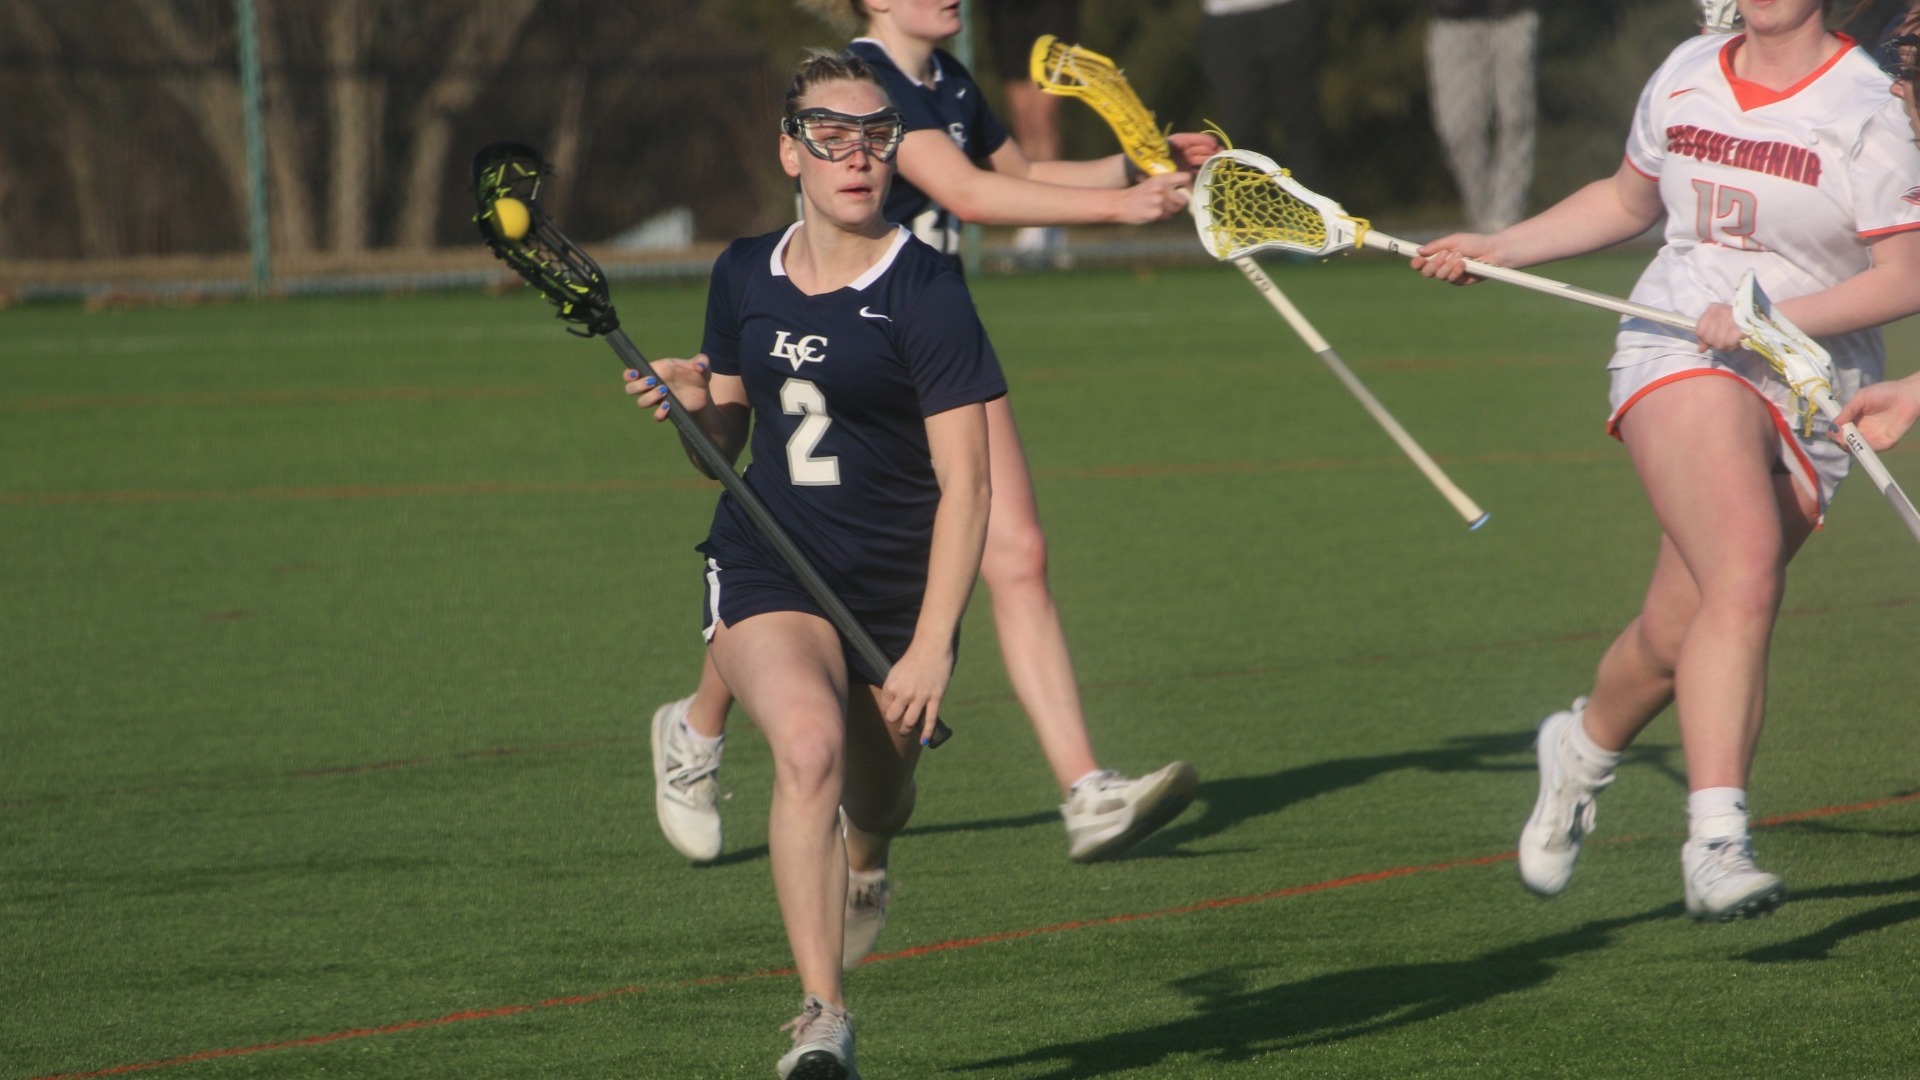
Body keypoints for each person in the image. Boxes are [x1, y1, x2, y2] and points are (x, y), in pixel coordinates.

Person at [654, 0, 1214, 879]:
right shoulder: (868, 89)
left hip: (931, 342)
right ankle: (697, 727)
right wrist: (1120, 207)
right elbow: (967, 194)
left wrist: (1138, 163)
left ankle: (1085, 789)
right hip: (852, 341)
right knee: (797, 530)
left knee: (1017, 551)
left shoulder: (946, 79)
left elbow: (1019, 170)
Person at [1412, 0, 1920, 921]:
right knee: (1745, 573)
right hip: (1677, 345)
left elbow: (1905, 277)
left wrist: (1771, 318)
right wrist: (1500, 245)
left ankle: (1580, 749)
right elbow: (1626, 200)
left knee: (1672, 634)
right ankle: (1717, 842)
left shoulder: (1867, 107)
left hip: (1810, 384)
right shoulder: (1686, 70)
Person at [629, 52, 1002, 1077]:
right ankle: (823, 1017)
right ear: (791, 152)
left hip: (892, 593)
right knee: (805, 751)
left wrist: (931, 646)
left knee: (878, 803)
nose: (858, 156)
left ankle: (867, 859)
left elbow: (969, 487)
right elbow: (725, 447)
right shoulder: (743, 271)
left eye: (878, 136)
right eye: (831, 137)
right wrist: (691, 406)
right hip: (773, 562)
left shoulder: (927, 290)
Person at [1425, 0, 1539, 232]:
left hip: (1513, 14)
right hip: (1453, 19)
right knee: (1457, 129)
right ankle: (1483, 221)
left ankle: (1505, 220)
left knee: (1515, 120)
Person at [983, 0, 1080, 263]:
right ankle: (1031, 219)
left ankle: (1053, 224)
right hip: (1006, 9)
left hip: (1049, 7)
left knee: (1044, 117)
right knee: (1023, 119)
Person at [1201, 0, 1327, 188]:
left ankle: (1313, 200)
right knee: (1240, 130)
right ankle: (1259, 199)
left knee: (1300, 125)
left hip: (1287, 10)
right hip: (1225, 18)